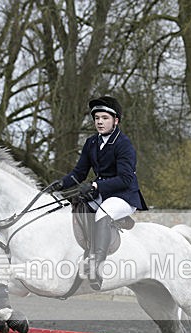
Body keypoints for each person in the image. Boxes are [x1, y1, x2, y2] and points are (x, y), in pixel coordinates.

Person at [51, 95, 147, 290]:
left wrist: (95, 187)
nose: (100, 122)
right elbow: (79, 173)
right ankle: (84, 252)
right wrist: (60, 184)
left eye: (105, 118)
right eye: (97, 119)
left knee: (103, 212)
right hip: (102, 194)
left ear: (115, 121)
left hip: (124, 195)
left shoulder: (124, 145)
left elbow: (126, 179)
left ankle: (97, 266)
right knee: (78, 207)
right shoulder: (91, 143)